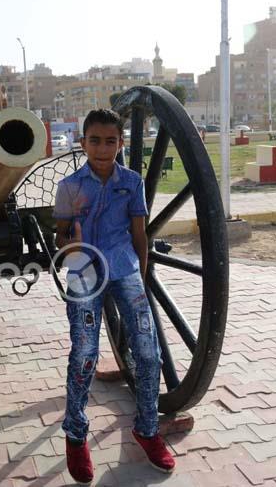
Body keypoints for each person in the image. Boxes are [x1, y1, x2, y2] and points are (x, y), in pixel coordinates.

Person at [53, 109, 175, 484]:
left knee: (148, 350)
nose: (102, 148)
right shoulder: (70, 187)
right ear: (83, 142)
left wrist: (139, 272)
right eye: (94, 141)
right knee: (85, 352)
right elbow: (59, 238)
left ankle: (147, 428)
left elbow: (139, 234)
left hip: (124, 267)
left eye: (110, 141)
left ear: (120, 143)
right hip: (85, 271)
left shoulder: (132, 182)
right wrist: (69, 242)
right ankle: (76, 435)